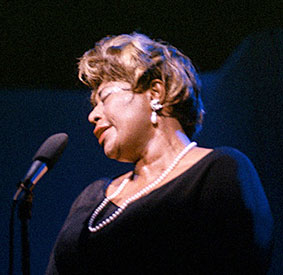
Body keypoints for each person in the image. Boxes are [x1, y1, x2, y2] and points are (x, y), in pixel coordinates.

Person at [46, 33, 273, 274]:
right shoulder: (92, 198)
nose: (93, 115)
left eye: (105, 98)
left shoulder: (217, 172)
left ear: (155, 93)